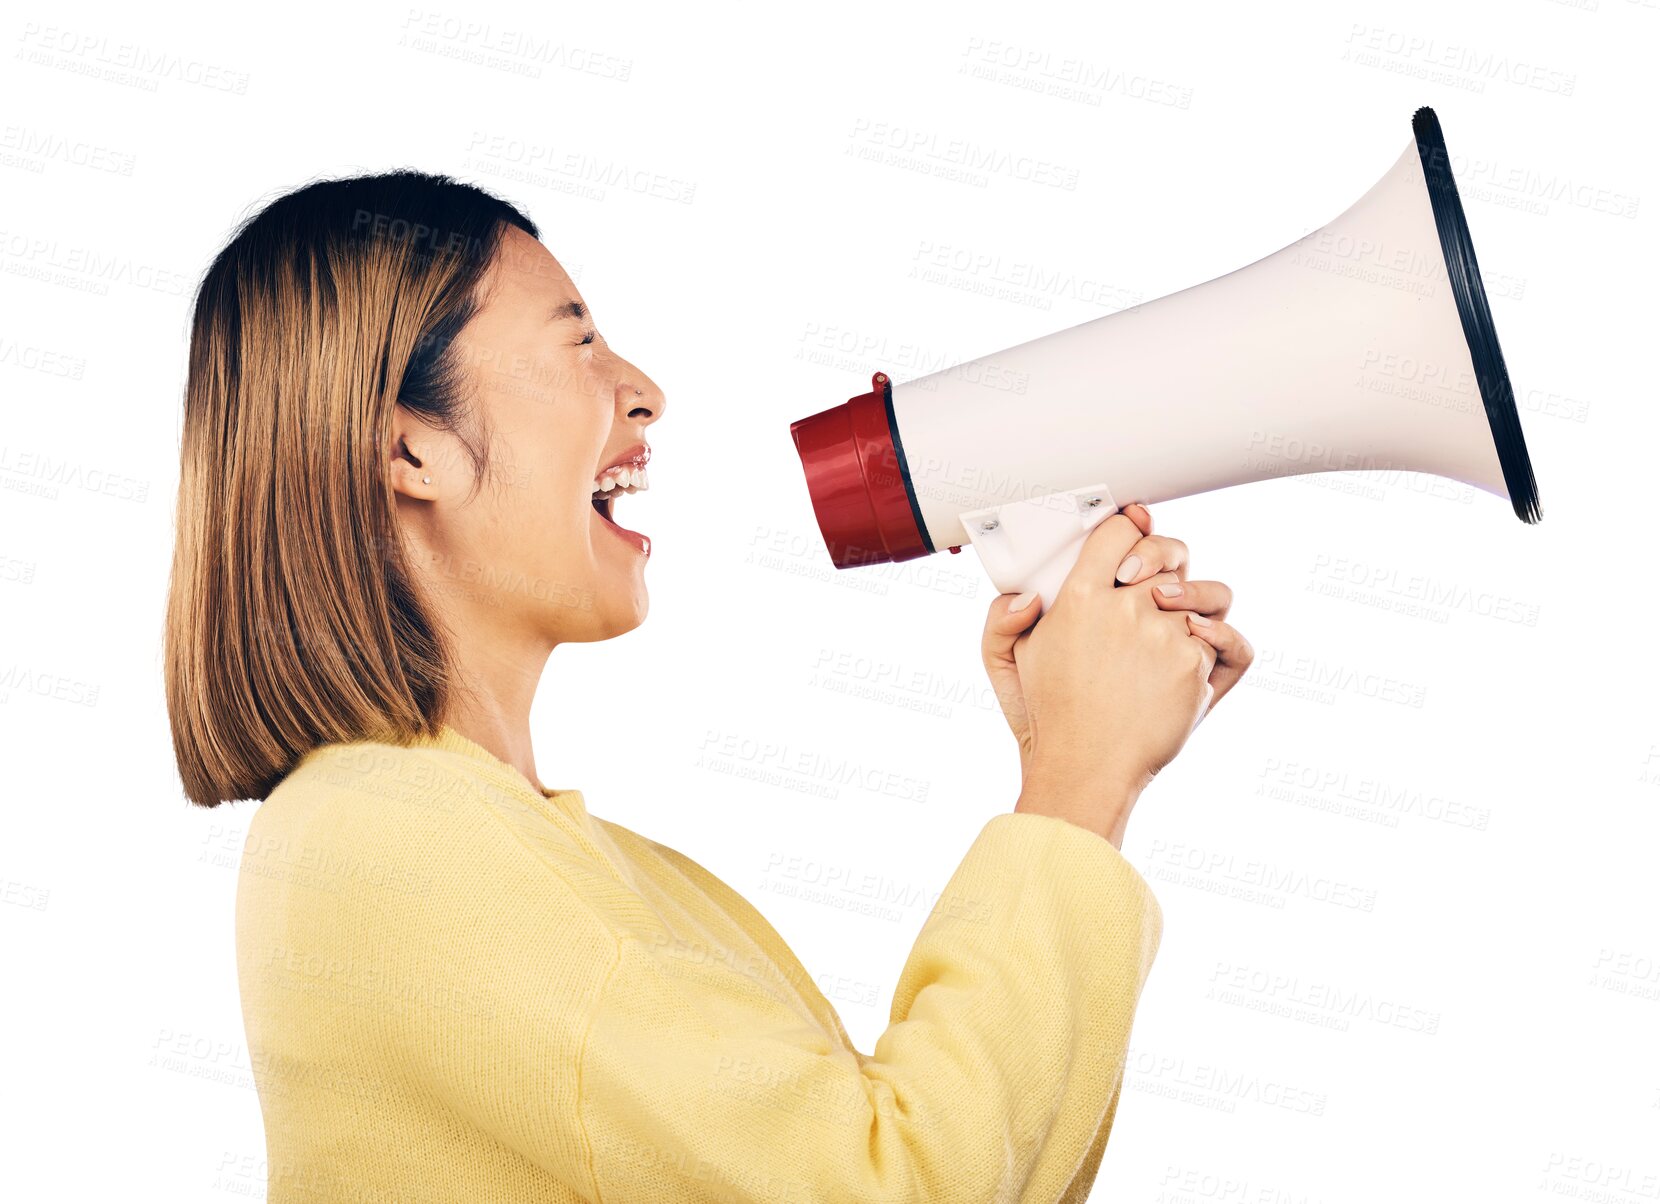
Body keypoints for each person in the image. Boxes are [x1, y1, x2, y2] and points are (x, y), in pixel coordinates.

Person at [164, 170, 1253, 1202]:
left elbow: (959, 1164)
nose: (644, 392)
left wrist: (1078, 766)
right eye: (577, 341)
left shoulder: (543, 858)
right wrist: (1075, 783)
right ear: (409, 450)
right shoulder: (391, 844)